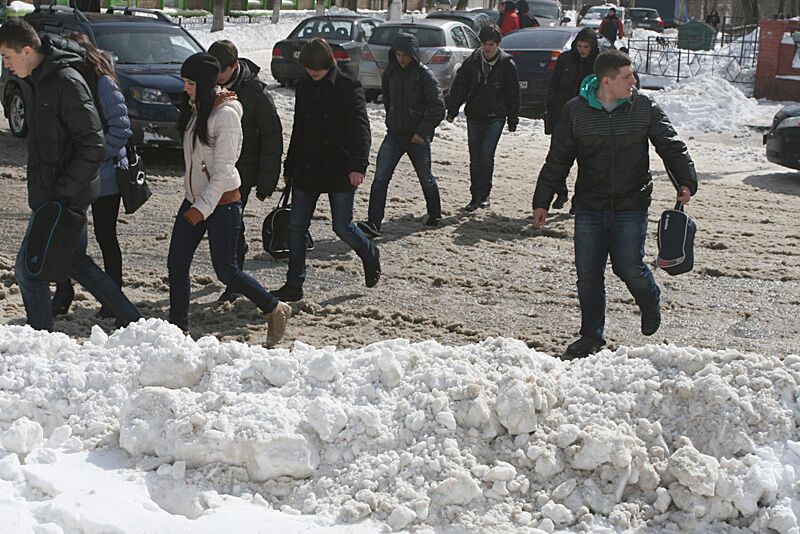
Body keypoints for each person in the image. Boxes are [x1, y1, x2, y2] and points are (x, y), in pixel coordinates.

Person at [532, 50, 697, 360]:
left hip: (631, 204)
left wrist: (686, 181)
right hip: (589, 207)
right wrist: (542, 199)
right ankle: (591, 337)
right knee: (588, 275)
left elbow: (671, 146)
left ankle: (649, 299)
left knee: (629, 267)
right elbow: (558, 159)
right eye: (627, 77)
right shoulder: (576, 112)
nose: (634, 81)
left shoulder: (643, 107)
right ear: (606, 81)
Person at [0, 18, 141, 332]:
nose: (6, 66)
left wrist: (63, 190)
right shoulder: (38, 80)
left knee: (28, 271)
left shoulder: (65, 81)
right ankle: (135, 320)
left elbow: (93, 142)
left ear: (25, 50)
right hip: (54, 193)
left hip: (62, 197)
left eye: (7, 57)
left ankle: (39, 340)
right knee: (76, 262)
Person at [170, 53, 290, 346]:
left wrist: (200, 208)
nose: (185, 88)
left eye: (190, 82)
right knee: (176, 262)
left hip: (222, 203)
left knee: (226, 270)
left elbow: (224, 171)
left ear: (205, 83)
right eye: (184, 81)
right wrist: (194, 201)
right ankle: (178, 330)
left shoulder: (225, 115)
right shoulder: (197, 108)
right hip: (196, 199)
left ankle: (274, 308)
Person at [272, 39, 378, 303]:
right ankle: (294, 283)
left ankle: (369, 252)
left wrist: (358, 166)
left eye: (316, 69)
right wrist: (290, 166)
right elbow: (299, 129)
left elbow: (361, 130)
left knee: (342, 227)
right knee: (296, 228)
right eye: (308, 69)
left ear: (328, 64)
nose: (312, 73)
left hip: (339, 168)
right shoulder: (305, 86)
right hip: (307, 167)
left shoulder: (348, 87)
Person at [51, 33, 132, 320]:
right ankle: (64, 290)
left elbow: (121, 129)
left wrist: (93, 155)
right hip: (76, 174)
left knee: (105, 236)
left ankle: (113, 298)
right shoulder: (67, 82)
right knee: (68, 237)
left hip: (105, 175)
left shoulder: (102, 82)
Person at [207, 40, 283, 303]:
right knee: (219, 224)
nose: (216, 77)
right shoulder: (207, 85)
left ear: (234, 66)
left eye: (221, 72)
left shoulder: (255, 92)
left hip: (242, 171)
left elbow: (272, 135)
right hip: (213, 168)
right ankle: (233, 264)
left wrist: (267, 179)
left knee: (231, 225)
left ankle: (234, 280)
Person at [357, 33, 445, 238]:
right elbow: (388, 101)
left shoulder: (425, 75)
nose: (401, 59)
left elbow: (437, 108)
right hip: (395, 134)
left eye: (405, 55)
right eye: (398, 54)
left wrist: (422, 131)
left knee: (426, 178)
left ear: (413, 55)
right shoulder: (391, 73)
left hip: (416, 136)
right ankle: (374, 222)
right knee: (380, 179)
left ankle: (435, 214)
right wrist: (393, 119)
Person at [446, 25, 520, 212]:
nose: (487, 49)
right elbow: (460, 86)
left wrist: (513, 119)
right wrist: (453, 109)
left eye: (491, 44)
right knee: (475, 157)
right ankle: (475, 195)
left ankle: (485, 194)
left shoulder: (506, 64)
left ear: (497, 44)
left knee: (486, 154)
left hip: (496, 116)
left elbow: (513, 93)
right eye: (484, 44)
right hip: (475, 114)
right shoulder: (472, 62)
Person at [544, 27, 599, 210]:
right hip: (562, 115)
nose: (582, 50)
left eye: (586, 47)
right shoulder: (565, 59)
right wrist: (550, 110)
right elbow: (553, 84)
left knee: (586, 164)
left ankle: (579, 200)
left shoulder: (599, 63)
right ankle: (561, 192)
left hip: (587, 120)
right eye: (580, 46)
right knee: (557, 160)